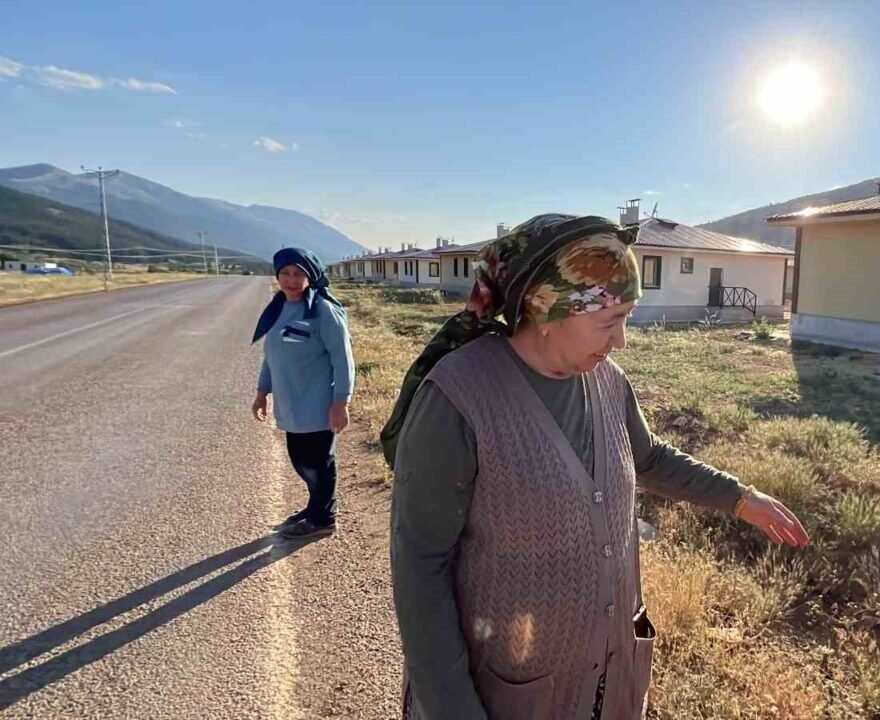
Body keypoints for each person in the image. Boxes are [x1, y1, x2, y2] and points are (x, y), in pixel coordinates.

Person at [383, 214, 809, 720]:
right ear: (545, 310)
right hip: (507, 696)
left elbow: (647, 457)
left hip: (611, 681)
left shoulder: (608, 380)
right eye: (609, 321)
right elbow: (420, 569)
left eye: (627, 318)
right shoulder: (457, 399)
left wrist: (739, 498)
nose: (621, 340)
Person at [251, 247, 355, 539]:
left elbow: (343, 359)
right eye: (285, 273)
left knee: (319, 463)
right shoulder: (278, 308)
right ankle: (315, 507)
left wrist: (341, 402)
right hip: (290, 403)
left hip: (318, 404)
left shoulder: (323, 311)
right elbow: (272, 354)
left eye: (298, 274)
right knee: (301, 461)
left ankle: (323, 518)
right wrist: (262, 391)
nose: (291, 280)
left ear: (310, 277)